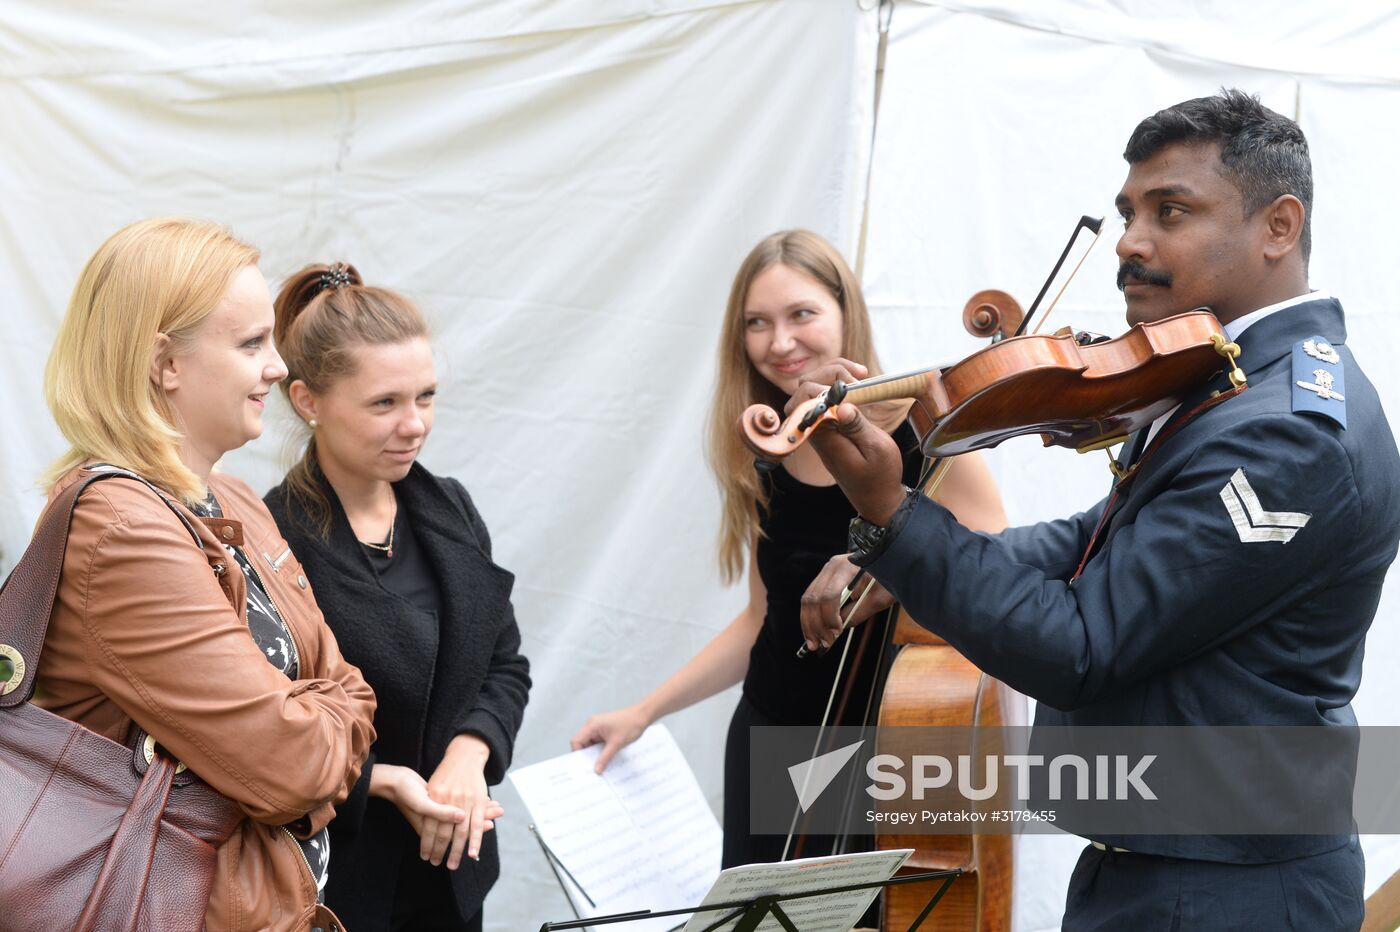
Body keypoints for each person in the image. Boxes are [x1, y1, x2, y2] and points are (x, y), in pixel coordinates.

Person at [797, 90, 1400, 929]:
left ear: (1279, 226)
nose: (1130, 242)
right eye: (1127, 213)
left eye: (1171, 211)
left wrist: (895, 515)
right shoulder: (1226, 380)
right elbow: (1097, 541)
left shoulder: (1288, 432)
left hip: (1226, 896)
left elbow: (1081, 644)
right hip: (1166, 872)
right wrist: (901, 567)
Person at [571, 229, 1007, 868]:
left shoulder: (922, 427)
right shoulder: (766, 452)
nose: (779, 343)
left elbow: (996, 551)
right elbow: (761, 620)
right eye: (757, 323)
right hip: (772, 742)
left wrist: (890, 566)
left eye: (801, 313)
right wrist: (643, 712)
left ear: (843, 311)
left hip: (897, 754)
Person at [39, 218, 377, 931]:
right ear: (165, 363)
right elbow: (290, 767)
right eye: (251, 343)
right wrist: (316, 743)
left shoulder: (235, 501)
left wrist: (312, 731)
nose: (279, 367)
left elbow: (352, 689)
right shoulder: (121, 528)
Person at [263, 263, 531, 932]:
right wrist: (381, 782)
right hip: (335, 884)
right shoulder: (272, 537)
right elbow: (263, 727)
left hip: (453, 875)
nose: (415, 425)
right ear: (308, 401)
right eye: (385, 403)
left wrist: (469, 757)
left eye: (427, 396)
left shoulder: (451, 509)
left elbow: (505, 666)